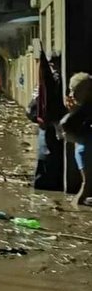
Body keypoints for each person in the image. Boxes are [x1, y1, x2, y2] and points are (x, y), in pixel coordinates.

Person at [26, 53, 66, 191]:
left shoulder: (54, 81)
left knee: (48, 157)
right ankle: (47, 186)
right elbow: (33, 107)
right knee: (48, 157)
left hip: (51, 126)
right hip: (50, 126)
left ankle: (46, 186)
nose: (54, 66)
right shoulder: (51, 82)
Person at [60, 72, 92, 206]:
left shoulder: (87, 107)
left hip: (86, 147)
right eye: (71, 91)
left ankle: (77, 204)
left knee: (87, 185)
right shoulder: (84, 107)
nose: (72, 95)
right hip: (84, 145)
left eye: (75, 91)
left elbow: (66, 124)